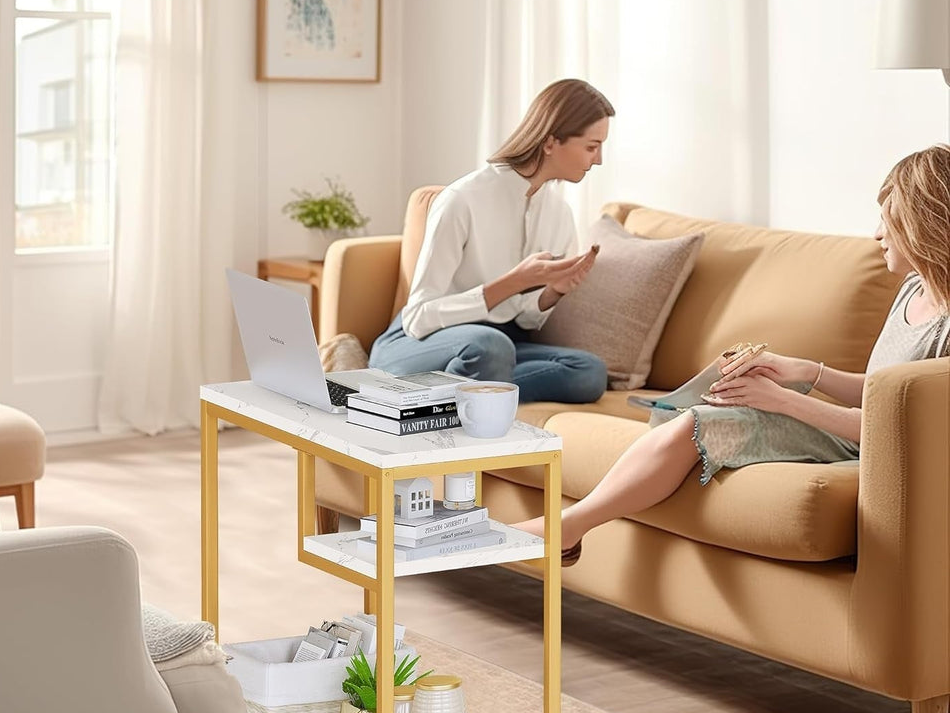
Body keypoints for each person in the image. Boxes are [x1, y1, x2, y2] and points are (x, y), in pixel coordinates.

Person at [518, 143, 950, 563]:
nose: (876, 233)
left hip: (877, 452)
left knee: (698, 424)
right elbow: (880, 391)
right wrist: (801, 370)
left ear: (922, 224)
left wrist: (781, 400)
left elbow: (894, 427)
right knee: (703, 407)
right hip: (854, 431)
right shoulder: (911, 289)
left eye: (888, 220)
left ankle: (565, 529)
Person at [369, 78, 615, 403]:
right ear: (551, 142)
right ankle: (470, 391)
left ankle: (460, 393)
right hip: (420, 342)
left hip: (493, 349)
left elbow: (525, 317)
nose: (597, 160)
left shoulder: (558, 213)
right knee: (491, 346)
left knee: (588, 372)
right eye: (591, 146)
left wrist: (554, 290)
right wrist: (515, 281)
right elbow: (418, 319)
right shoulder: (463, 199)